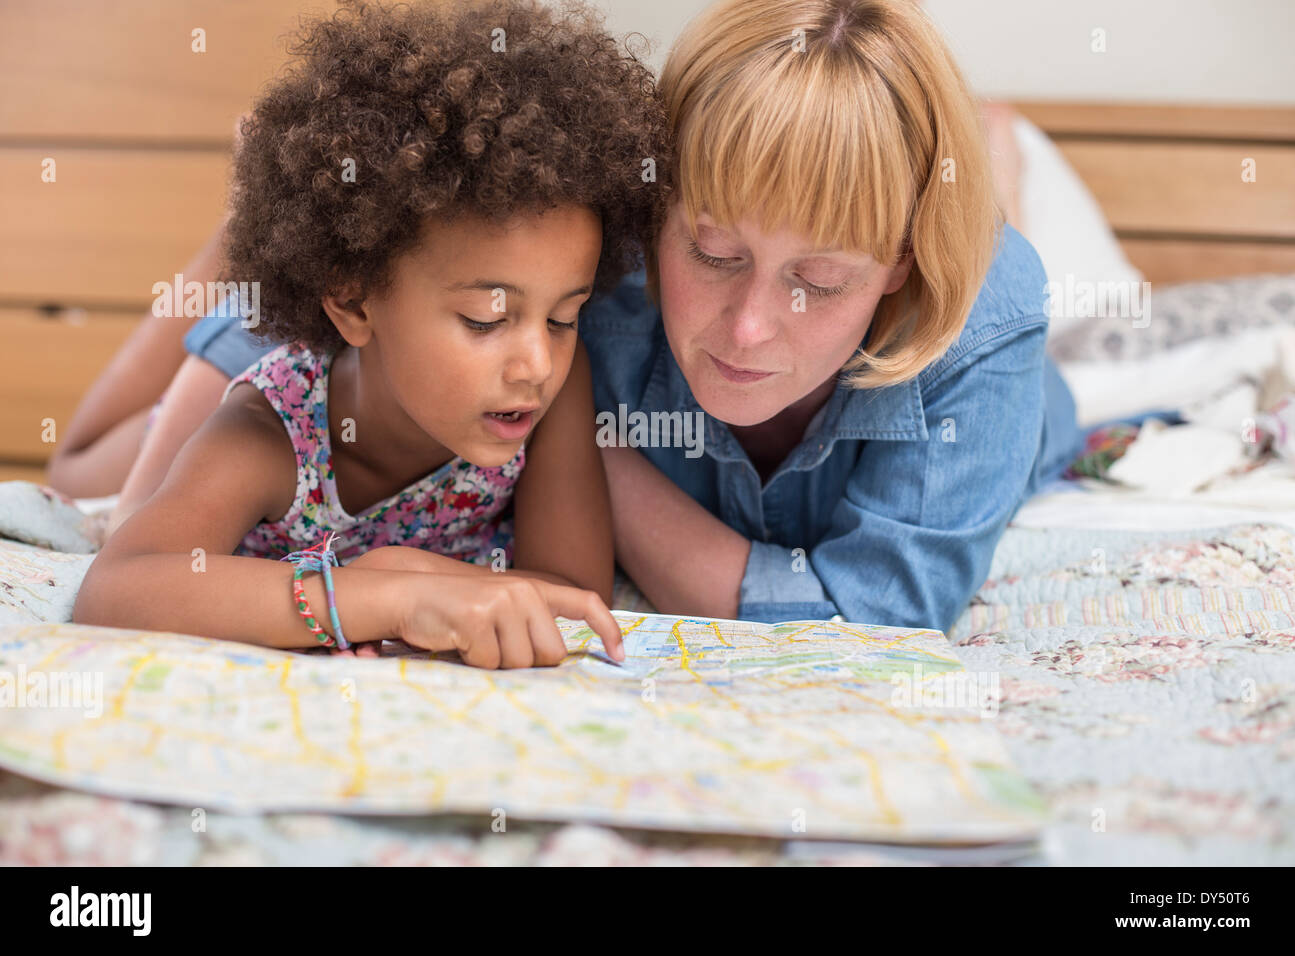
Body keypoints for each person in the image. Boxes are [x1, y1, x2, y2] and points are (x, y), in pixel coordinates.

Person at [82, 0, 1086, 635]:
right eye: (714, 254)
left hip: (1012, 377)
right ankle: (229, 236)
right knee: (91, 469)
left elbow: (883, 614)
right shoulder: (591, 253)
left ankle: (995, 175)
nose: (745, 329)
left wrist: (579, 442)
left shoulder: (983, 320)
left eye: (818, 281)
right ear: (656, 215)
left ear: (902, 263)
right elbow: (132, 551)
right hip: (321, 319)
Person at [74, 0, 672, 665]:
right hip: (231, 370)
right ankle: (230, 229)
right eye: (486, 320)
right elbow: (121, 586)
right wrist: (381, 595)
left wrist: (408, 569)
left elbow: (570, 591)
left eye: (564, 317)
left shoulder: (554, 380)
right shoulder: (271, 430)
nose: (537, 361)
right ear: (355, 301)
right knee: (82, 466)